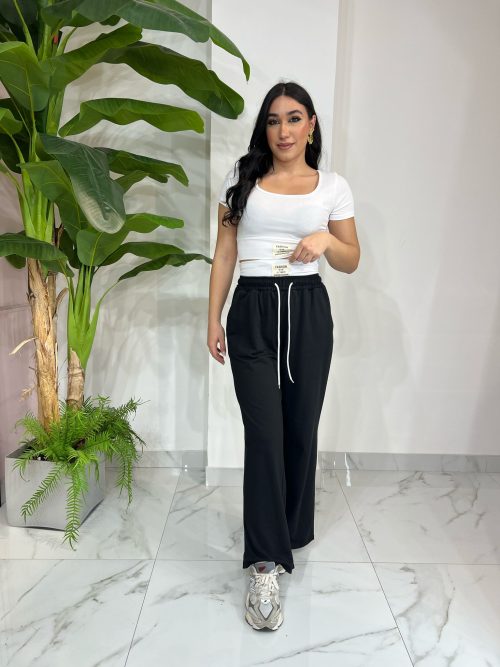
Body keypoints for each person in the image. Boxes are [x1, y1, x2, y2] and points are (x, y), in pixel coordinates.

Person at [207, 80, 360, 631]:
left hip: (308, 310)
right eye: (273, 120)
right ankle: (265, 563)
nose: (284, 130)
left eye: (294, 119)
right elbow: (226, 250)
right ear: (264, 128)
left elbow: (351, 259)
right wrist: (213, 316)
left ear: (311, 125)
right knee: (265, 435)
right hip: (252, 308)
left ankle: (291, 528)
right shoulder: (242, 178)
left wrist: (326, 241)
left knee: (300, 430)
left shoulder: (332, 187)